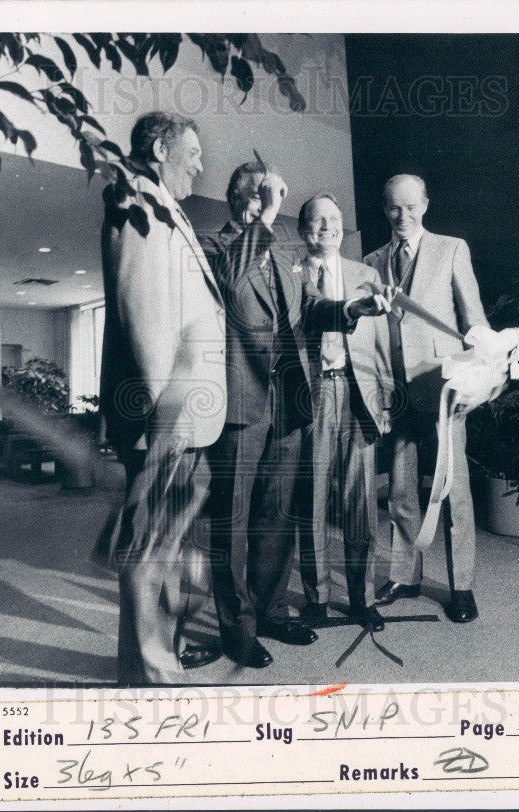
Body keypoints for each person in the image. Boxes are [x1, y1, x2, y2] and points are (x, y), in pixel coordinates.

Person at [99, 111, 227, 684]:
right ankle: (151, 673)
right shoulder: (140, 209)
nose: (200, 165)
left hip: (182, 415)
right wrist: (165, 421)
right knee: (150, 552)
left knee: (166, 549)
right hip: (166, 414)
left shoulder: (162, 208)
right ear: (158, 148)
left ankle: (151, 661)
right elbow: (145, 320)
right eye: (192, 152)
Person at [364, 174, 489, 623]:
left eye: (411, 207)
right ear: (384, 209)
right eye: (394, 208)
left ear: (426, 205)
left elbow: (473, 322)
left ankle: (462, 586)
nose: (403, 216)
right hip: (396, 393)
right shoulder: (370, 262)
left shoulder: (452, 249)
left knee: (452, 491)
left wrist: (480, 375)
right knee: (400, 490)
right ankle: (405, 574)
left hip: (443, 391)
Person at [207, 161, 318, 668]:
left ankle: (271, 608)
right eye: (256, 196)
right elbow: (231, 282)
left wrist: (353, 311)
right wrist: (269, 214)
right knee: (232, 518)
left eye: (270, 196)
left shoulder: (286, 255)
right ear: (236, 198)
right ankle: (238, 628)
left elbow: (305, 312)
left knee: (277, 515)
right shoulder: (216, 247)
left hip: (286, 399)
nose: (264, 203)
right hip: (240, 400)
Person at [296, 193, 394, 631]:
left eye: (334, 219)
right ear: (304, 230)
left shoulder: (365, 274)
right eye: (318, 220)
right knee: (312, 500)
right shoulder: (291, 273)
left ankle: (362, 598)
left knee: (360, 504)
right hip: (313, 395)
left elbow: (380, 344)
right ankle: (317, 597)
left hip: (359, 395)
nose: (328, 227)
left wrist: (386, 398)